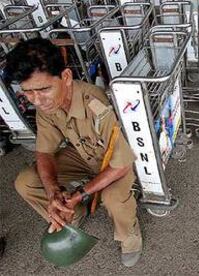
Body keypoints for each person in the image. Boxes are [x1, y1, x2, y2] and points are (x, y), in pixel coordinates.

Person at [5, 38, 142, 267]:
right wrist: (52, 194)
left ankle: (130, 236)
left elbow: (122, 164)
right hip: (83, 155)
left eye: (44, 89)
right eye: (28, 92)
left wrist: (81, 192)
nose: (37, 100)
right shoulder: (46, 104)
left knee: (112, 199)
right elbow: (44, 152)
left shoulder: (95, 104)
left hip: (116, 161)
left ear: (66, 77)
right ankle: (69, 213)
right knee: (26, 181)